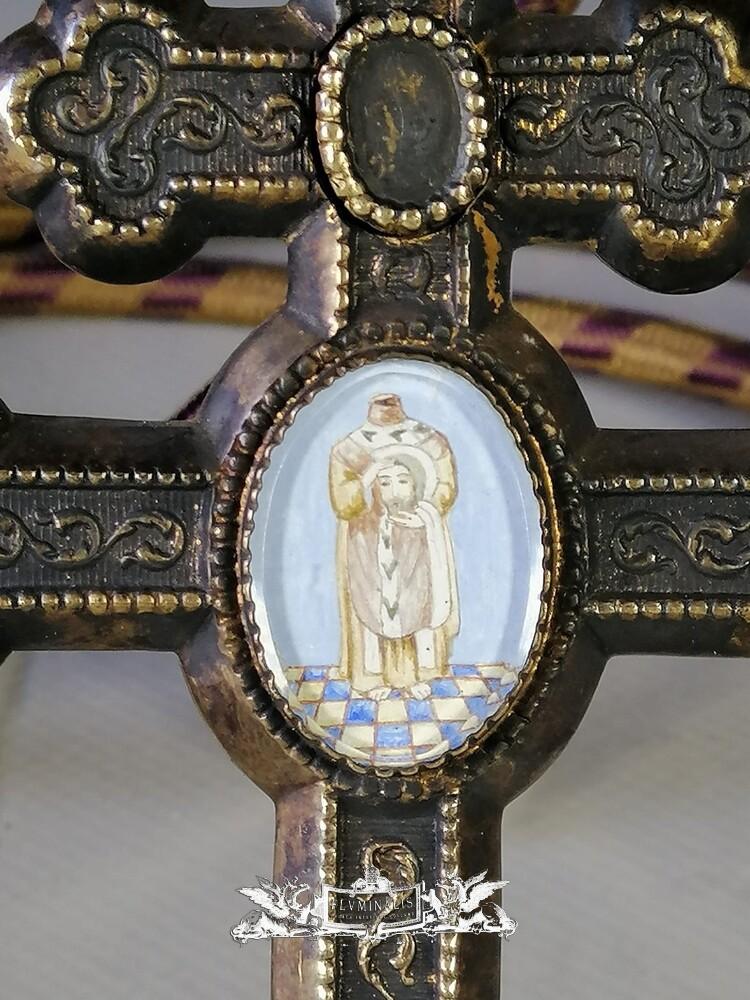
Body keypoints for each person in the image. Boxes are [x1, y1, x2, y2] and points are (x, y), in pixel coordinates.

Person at [329, 393, 460, 699]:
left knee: (416, 600)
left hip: (416, 537)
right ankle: (371, 677)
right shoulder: (348, 448)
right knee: (370, 602)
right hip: (366, 539)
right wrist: (367, 488)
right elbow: (343, 499)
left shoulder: (431, 441)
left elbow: (444, 486)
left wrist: (424, 510)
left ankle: (412, 675)